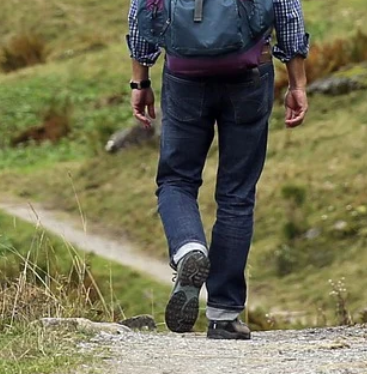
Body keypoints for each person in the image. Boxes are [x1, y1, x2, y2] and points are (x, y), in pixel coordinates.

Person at [126, 0, 310, 340]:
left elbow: (143, 11)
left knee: (176, 180)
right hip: (250, 73)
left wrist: (140, 82)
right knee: (236, 193)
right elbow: (288, 12)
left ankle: (189, 249)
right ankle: (224, 315)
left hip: (184, 74)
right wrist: (297, 84)